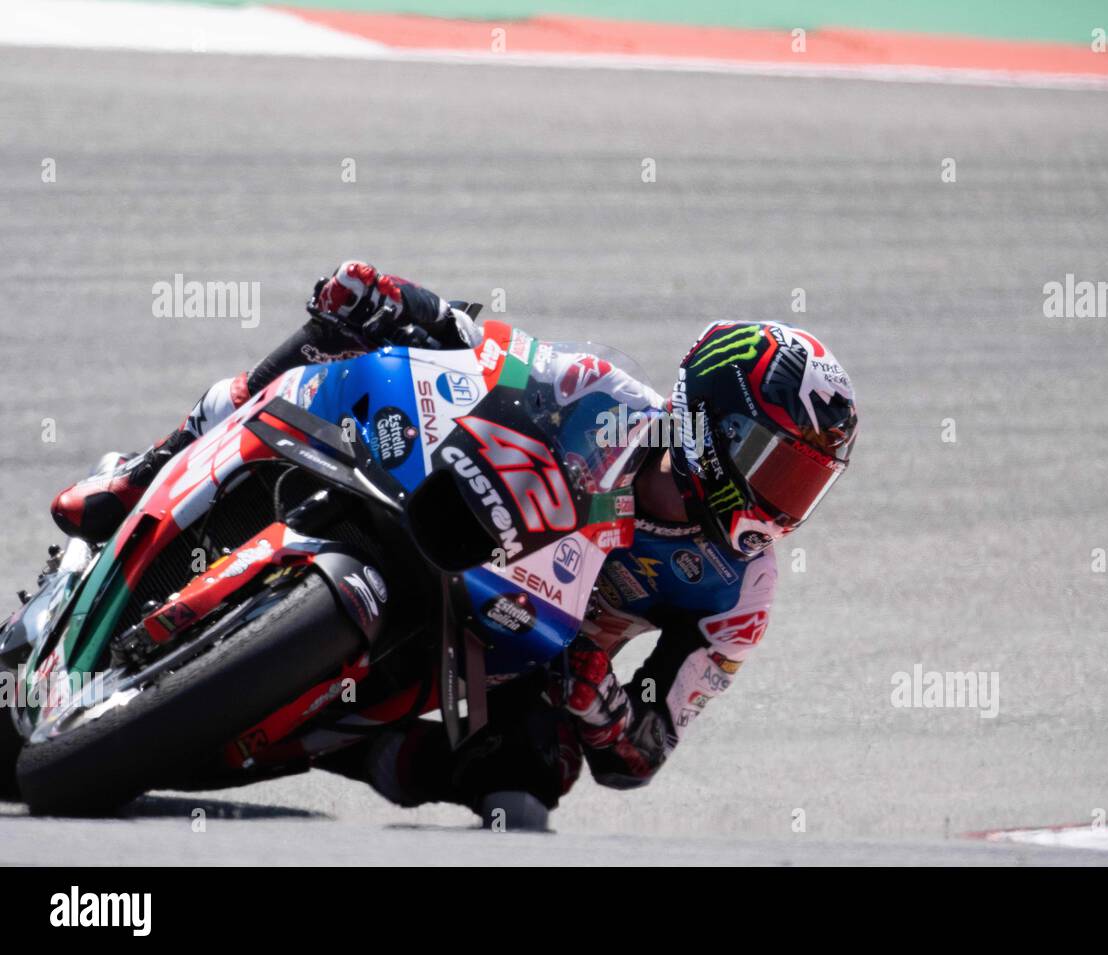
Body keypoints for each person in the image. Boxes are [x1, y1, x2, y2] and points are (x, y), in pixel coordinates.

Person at [50, 261, 858, 825]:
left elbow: (643, 751)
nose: (780, 502)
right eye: (774, 464)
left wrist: (596, 700)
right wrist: (399, 300)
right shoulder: (608, 397)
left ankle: (353, 751)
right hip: (454, 513)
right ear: (712, 417)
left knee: (539, 773)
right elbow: (489, 347)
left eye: (803, 483)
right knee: (346, 332)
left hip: (520, 647)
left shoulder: (738, 589)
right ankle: (147, 470)